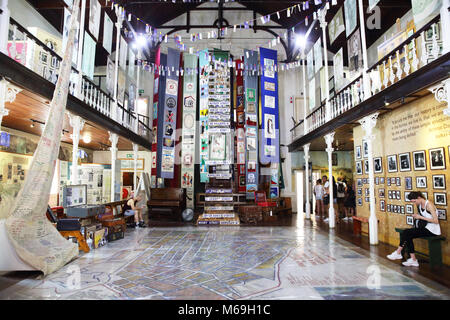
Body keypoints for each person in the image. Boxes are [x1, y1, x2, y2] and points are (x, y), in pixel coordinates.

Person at [387, 191, 441, 267]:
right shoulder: (419, 205)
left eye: (414, 201)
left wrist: (420, 217)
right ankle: (412, 259)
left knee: (407, 233)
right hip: (425, 228)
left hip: (433, 230)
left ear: (419, 198)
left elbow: (436, 221)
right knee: (407, 234)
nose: (414, 203)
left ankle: (399, 252)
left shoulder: (429, 205)